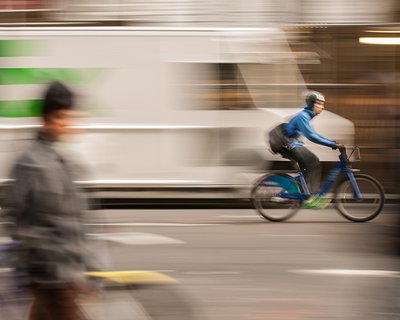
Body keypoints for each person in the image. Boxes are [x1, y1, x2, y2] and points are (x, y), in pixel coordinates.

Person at [2, 81, 94, 320]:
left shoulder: (57, 159)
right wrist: (52, 266)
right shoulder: (31, 162)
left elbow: (73, 220)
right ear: (47, 117)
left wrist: (86, 269)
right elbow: (16, 217)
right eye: (62, 116)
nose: (67, 123)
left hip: (60, 275)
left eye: (69, 116)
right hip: (52, 278)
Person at [279, 91, 341, 208]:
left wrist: (331, 142)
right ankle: (313, 197)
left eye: (323, 104)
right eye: (320, 104)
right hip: (289, 146)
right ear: (312, 104)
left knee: (307, 169)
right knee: (314, 162)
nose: (322, 107)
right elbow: (311, 136)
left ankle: (304, 196)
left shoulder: (306, 116)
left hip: (293, 145)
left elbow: (314, 134)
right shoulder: (303, 116)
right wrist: (330, 144)